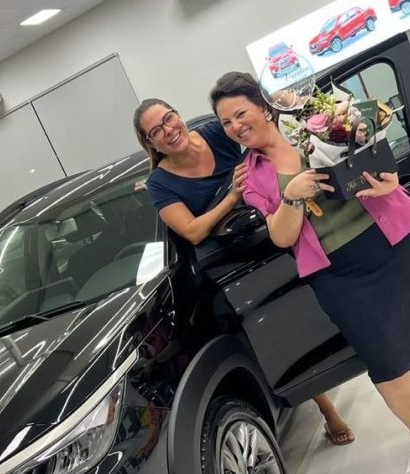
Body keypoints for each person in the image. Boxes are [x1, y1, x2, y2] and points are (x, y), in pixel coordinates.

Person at [209, 71, 410, 474]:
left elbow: (376, 158)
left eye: (240, 113)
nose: (235, 126)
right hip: (338, 272)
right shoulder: (252, 175)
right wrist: (291, 196)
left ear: (264, 107)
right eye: (226, 122)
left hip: (395, 240)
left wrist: (389, 181)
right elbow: (282, 236)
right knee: (387, 357)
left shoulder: (312, 123)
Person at [133, 98, 355, 446]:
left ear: (177, 114)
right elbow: (192, 231)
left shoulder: (214, 132)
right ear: (151, 143)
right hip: (226, 260)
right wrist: (232, 196)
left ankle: (347, 356)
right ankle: (326, 408)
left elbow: (261, 143)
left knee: (314, 307)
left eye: (168, 118)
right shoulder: (160, 183)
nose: (168, 130)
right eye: (156, 131)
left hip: (271, 227)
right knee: (281, 332)